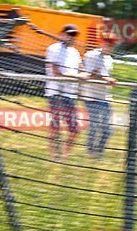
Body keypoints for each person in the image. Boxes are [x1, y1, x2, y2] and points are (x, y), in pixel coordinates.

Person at [45, 24, 83, 161]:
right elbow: (55, 72)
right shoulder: (53, 49)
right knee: (55, 126)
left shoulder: (75, 52)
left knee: (74, 129)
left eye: (74, 35)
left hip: (69, 94)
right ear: (61, 34)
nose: (71, 37)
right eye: (69, 34)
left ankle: (64, 156)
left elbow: (82, 70)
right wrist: (76, 77)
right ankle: (53, 156)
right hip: (55, 92)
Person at [82, 33, 117, 159]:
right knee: (95, 125)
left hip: (104, 97)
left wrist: (107, 80)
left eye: (112, 45)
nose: (110, 47)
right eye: (107, 44)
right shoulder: (90, 56)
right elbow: (87, 74)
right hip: (91, 97)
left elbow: (103, 75)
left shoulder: (109, 59)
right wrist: (106, 79)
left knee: (108, 129)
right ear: (101, 43)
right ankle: (91, 152)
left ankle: (99, 152)